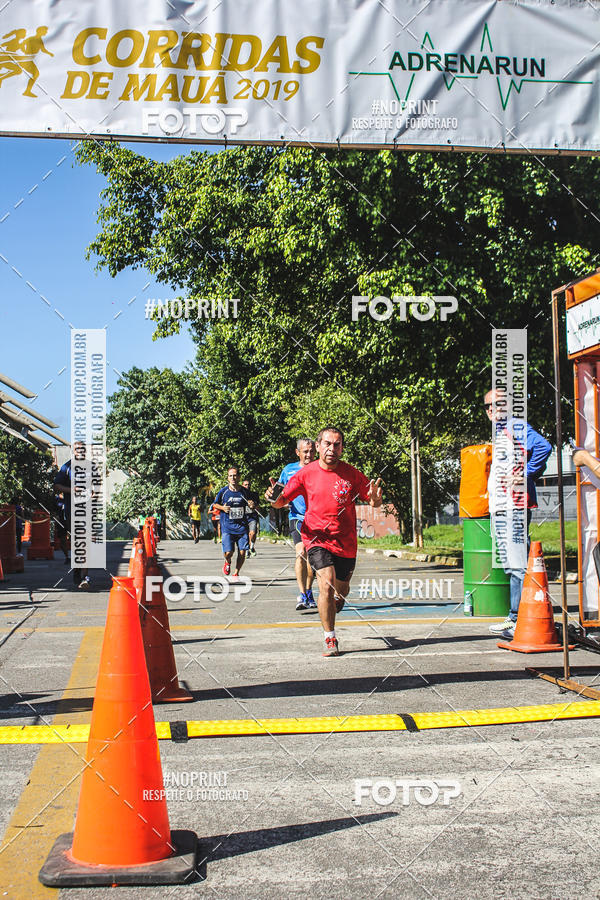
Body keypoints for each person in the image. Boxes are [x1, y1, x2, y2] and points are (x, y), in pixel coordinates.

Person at [268, 426, 382, 656]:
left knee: (341, 589)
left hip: (346, 542)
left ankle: (338, 598)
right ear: (318, 446)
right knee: (326, 584)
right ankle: (330, 638)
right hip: (316, 537)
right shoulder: (305, 474)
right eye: (327, 444)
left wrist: (376, 500)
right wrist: (273, 498)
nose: (332, 448)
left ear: (342, 448)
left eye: (337, 444)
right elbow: (281, 501)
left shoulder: (352, 474)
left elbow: (373, 501)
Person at [485, 389, 552, 638]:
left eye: (497, 404)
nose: (492, 409)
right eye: (488, 406)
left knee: (516, 566)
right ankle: (515, 616)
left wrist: (526, 475)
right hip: (502, 508)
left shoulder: (516, 426)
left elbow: (544, 448)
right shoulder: (503, 432)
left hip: (514, 507)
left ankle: (518, 619)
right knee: (510, 564)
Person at [273, 438, 317, 611]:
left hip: (317, 519)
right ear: (297, 452)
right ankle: (302, 595)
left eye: (312, 451)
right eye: (305, 451)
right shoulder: (288, 470)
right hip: (297, 517)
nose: (309, 454)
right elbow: (277, 493)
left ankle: (309, 590)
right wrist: (274, 497)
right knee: (301, 553)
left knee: (312, 560)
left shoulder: (321, 469)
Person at [53, 447, 90, 589]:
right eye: (77, 449)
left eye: (82, 449)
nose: (80, 452)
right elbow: (56, 486)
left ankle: (84, 576)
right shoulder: (67, 467)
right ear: (73, 452)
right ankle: (78, 571)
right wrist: (72, 490)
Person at [212, 466, 254, 577]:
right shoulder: (224, 491)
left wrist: (251, 504)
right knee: (229, 552)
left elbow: (252, 504)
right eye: (230, 476)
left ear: (239, 477)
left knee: (242, 552)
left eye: (235, 475)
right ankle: (227, 561)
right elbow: (214, 504)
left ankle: (236, 573)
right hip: (227, 527)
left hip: (242, 527)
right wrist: (222, 508)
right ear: (228, 478)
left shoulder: (244, 492)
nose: (233, 477)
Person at [241, 478, 262, 556]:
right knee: (245, 535)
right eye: (245, 485)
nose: (247, 486)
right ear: (242, 485)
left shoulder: (255, 494)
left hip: (252, 516)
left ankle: (252, 547)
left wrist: (254, 506)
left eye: (249, 484)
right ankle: (247, 550)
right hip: (243, 517)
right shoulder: (240, 495)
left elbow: (258, 507)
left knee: (252, 533)